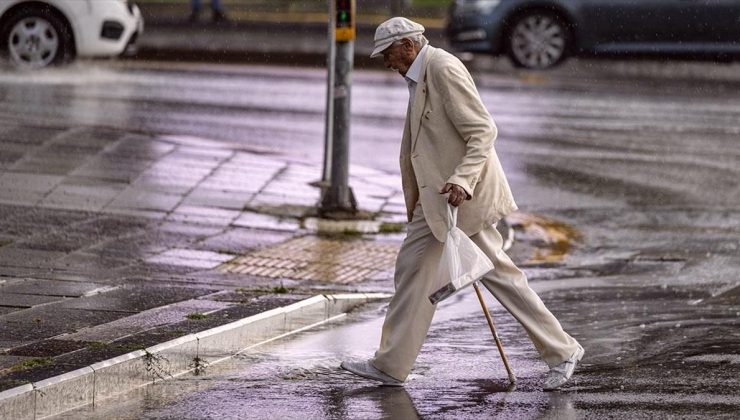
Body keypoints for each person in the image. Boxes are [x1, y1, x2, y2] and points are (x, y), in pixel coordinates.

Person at [340, 17, 584, 391]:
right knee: (414, 274)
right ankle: (391, 364)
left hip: (459, 199)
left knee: (500, 277)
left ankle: (563, 350)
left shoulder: (442, 68)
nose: (387, 63)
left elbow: (482, 130)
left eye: (389, 54)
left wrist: (463, 180)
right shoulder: (419, 73)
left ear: (408, 45)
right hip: (438, 201)